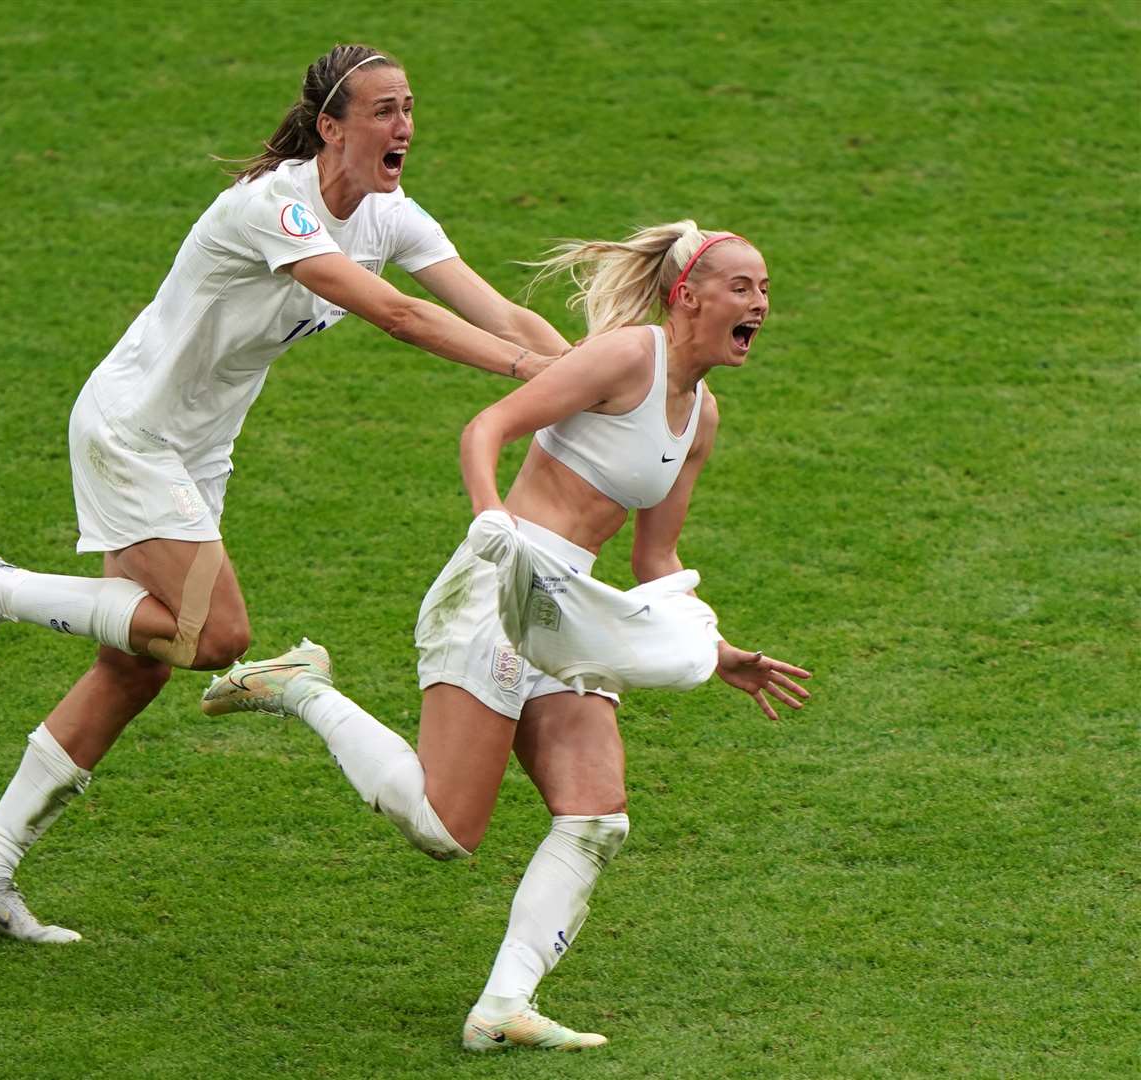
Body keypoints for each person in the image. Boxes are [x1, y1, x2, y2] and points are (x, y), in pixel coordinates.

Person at [0, 44, 574, 944]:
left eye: (410, 108)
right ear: (331, 125)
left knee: (136, 662)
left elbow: (500, 312)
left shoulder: (391, 215)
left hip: (197, 449)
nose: (405, 126)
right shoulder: (277, 208)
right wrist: (529, 372)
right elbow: (401, 315)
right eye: (383, 110)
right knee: (213, 635)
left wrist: (586, 380)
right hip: (134, 429)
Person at [202, 222, 813, 1051]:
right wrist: (494, 520)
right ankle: (300, 686)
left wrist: (716, 649)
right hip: (495, 585)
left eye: (766, 289)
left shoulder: (702, 415)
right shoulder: (627, 357)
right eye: (744, 288)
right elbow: (485, 429)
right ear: (689, 298)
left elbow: (655, 555)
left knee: (597, 816)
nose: (761, 304)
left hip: (569, 610)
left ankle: (501, 1008)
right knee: (444, 830)